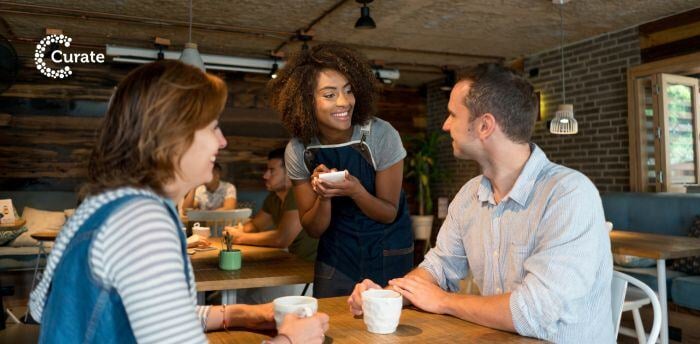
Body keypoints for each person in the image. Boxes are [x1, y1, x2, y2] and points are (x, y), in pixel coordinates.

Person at [29, 60, 328, 344]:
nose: (222, 141)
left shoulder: (108, 203)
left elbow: (42, 306)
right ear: (175, 135)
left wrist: (240, 313)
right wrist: (291, 339)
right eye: (213, 126)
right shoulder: (143, 221)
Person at [348, 63, 614, 343]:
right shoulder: (469, 196)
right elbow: (439, 267)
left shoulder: (568, 195)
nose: (445, 124)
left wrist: (444, 301)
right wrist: (387, 297)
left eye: (452, 114)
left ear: (485, 126)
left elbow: (533, 312)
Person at [268, 43, 413, 298]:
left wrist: (356, 191)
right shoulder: (299, 149)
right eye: (330, 94)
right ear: (306, 101)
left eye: (348, 91)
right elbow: (313, 229)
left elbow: (388, 213)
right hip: (336, 258)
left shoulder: (381, 135)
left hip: (386, 251)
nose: (344, 102)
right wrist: (324, 196)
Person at [225, 147, 319, 303]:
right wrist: (239, 229)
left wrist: (239, 237)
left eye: (271, 170)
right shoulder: (274, 198)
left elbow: (282, 239)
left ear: (290, 173)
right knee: (238, 294)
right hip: (291, 265)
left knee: (242, 299)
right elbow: (255, 225)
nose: (265, 176)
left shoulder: (297, 194)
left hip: (308, 274)